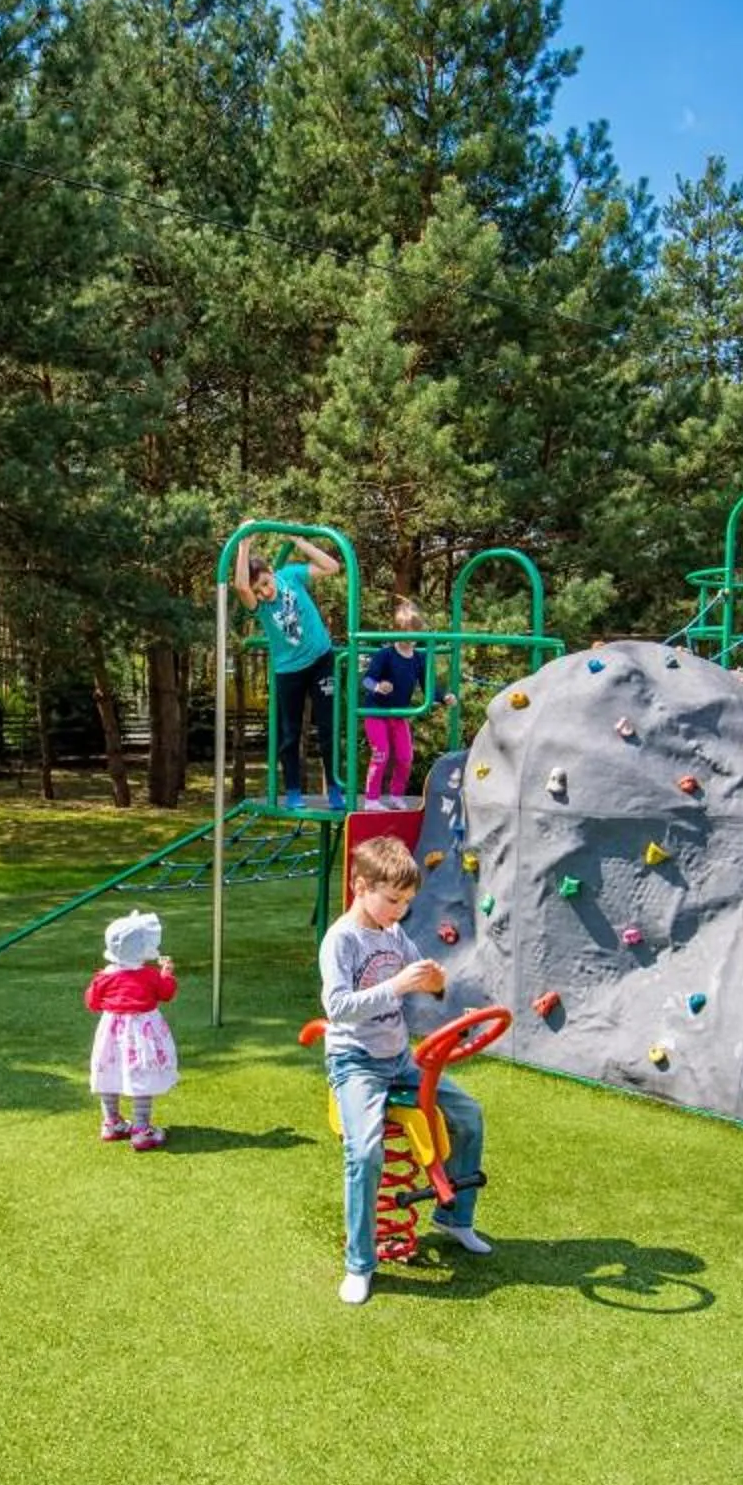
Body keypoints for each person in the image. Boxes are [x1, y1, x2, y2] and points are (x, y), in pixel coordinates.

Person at [318, 836, 487, 1304]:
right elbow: (337, 1008)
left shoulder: (394, 934)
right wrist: (396, 986)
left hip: (399, 1059)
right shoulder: (341, 940)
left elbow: (421, 981)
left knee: (468, 1115)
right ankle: (359, 1263)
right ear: (360, 887)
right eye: (393, 900)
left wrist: (435, 983)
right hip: (356, 1062)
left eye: (407, 902)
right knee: (364, 1153)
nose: (400, 911)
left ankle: (455, 1219)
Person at [236, 532, 342, 808]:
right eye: (258, 591)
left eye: (265, 583)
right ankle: (293, 790)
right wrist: (244, 545)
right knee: (289, 733)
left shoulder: (291, 576)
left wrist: (300, 542)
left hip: (321, 660)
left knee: (328, 728)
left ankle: (334, 788)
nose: (264, 592)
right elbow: (241, 588)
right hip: (289, 671)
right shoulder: (260, 606)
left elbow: (332, 567)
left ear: (272, 572)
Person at [87, 908, 179, 1151]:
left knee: (109, 1072)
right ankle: (141, 1129)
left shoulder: (105, 976)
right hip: (142, 1035)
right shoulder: (149, 975)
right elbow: (166, 993)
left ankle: (112, 1123)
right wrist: (167, 974)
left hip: (111, 1035)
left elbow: (92, 1003)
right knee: (142, 1075)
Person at [356, 597, 447, 808]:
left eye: (416, 633)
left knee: (405, 757)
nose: (412, 638)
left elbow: (428, 686)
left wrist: (443, 697)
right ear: (397, 631)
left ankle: (396, 795)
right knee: (381, 753)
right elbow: (367, 680)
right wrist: (378, 686)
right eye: (407, 632)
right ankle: (371, 799)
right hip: (377, 712)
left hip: (399, 714)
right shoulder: (386, 655)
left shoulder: (418, 659)